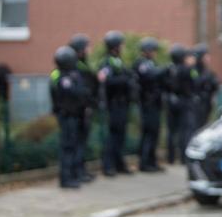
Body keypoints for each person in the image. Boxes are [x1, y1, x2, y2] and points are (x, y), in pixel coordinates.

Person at [49, 46, 89, 188]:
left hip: (73, 115)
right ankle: (66, 179)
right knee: (68, 147)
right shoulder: (62, 77)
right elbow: (76, 92)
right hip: (67, 116)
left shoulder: (66, 74)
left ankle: (73, 174)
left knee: (73, 145)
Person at [99, 30, 135, 176]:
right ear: (115, 46)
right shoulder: (106, 63)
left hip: (122, 104)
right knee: (113, 136)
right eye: (121, 45)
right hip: (113, 105)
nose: (122, 47)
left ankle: (119, 164)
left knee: (121, 136)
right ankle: (108, 166)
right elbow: (107, 81)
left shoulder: (118, 62)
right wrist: (125, 80)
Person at [68, 34, 97, 182]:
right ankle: (77, 171)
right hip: (80, 110)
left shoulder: (82, 65)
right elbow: (84, 90)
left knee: (82, 142)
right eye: (86, 47)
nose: (89, 50)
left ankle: (81, 169)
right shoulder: (77, 68)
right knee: (78, 142)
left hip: (84, 109)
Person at [134, 37, 165, 172]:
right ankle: (144, 162)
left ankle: (152, 161)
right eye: (152, 50)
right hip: (147, 104)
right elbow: (150, 76)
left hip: (155, 104)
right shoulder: (142, 63)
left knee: (154, 133)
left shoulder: (152, 62)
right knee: (148, 133)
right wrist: (165, 70)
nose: (154, 53)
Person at [165, 44, 197, 164]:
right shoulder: (188, 70)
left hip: (172, 102)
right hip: (185, 102)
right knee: (185, 130)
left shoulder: (169, 69)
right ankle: (184, 158)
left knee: (171, 131)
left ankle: (171, 158)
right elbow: (194, 83)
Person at [192, 43, 219, 129]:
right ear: (200, 57)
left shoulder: (207, 71)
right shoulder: (193, 70)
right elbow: (196, 83)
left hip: (207, 105)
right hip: (197, 107)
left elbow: (214, 86)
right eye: (206, 56)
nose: (208, 58)